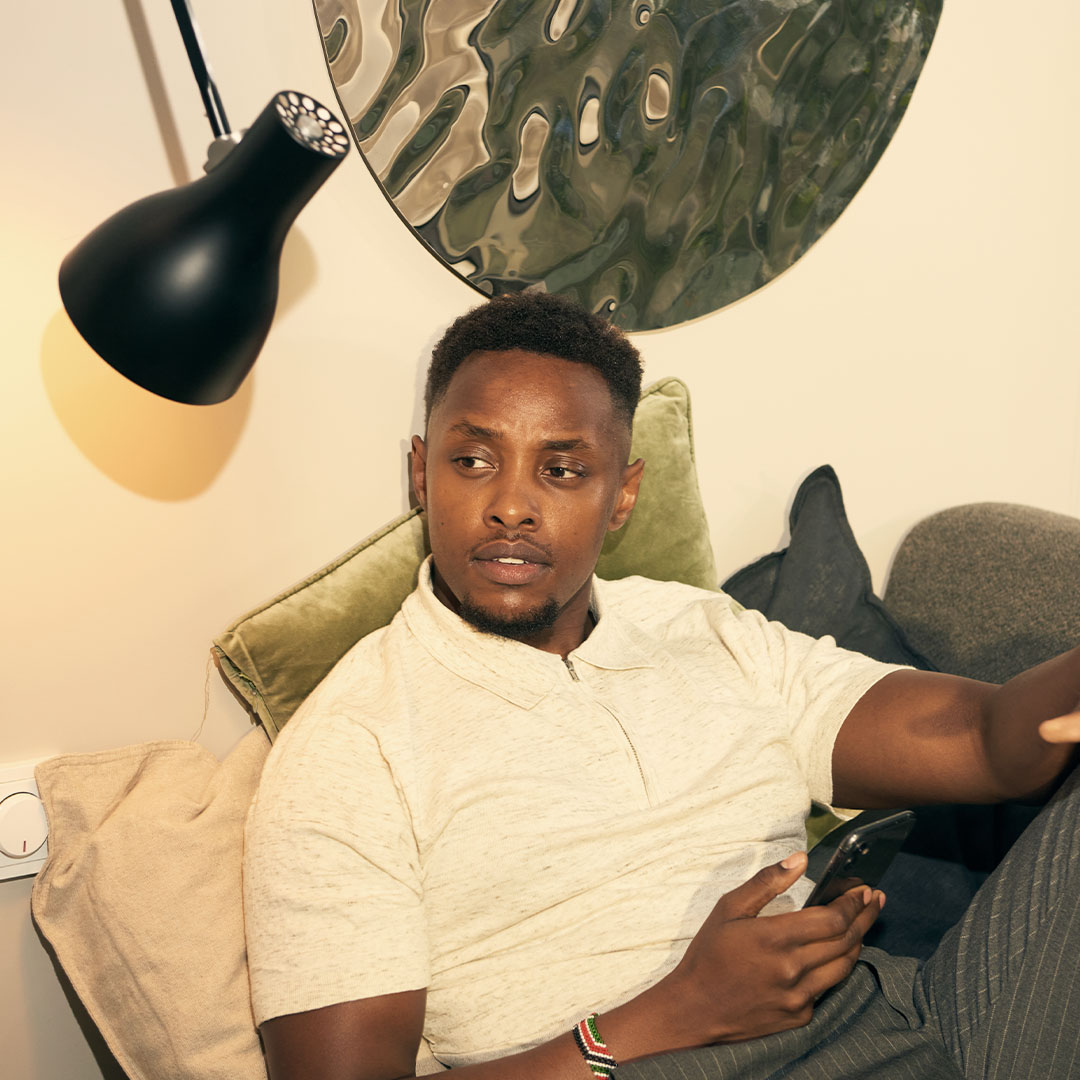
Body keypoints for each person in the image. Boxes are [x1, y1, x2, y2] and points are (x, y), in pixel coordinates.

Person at [243, 292, 1080, 1080]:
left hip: (905, 1029)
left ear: (622, 497)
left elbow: (985, 739)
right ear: (423, 476)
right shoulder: (353, 745)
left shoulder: (701, 628)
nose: (510, 506)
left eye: (562, 471)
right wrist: (669, 1014)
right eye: (473, 460)